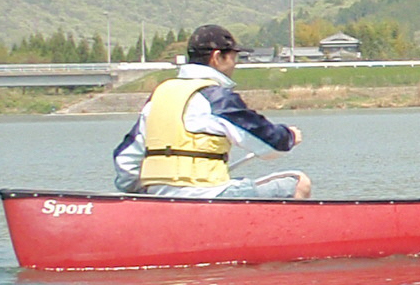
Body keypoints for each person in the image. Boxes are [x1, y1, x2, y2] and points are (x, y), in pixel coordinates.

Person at [111, 24, 313, 199]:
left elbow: (125, 163)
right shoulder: (217, 98)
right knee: (298, 183)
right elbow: (271, 146)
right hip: (206, 199)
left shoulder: (158, 97)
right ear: (218, 57)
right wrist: (289, 136)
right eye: (234, 57)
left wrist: (151, 194)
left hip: (159, 201)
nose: (235, 64)